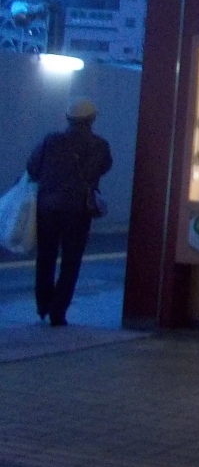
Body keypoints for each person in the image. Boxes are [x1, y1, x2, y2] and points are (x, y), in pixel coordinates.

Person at [26, 98, 112, 327]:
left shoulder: (51, 140)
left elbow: (32, 168)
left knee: (46, 255)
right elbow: (103, 168)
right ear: (92, 119)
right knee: (71, 260)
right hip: (78, 208)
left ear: (67, 118)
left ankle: (43, 304)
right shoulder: (100, 145)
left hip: (47, 206)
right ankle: (58, 312)